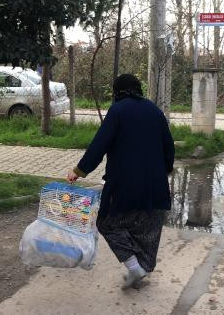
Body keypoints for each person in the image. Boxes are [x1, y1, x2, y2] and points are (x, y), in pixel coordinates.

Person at [67, 74, 175, 290]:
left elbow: (100, 145)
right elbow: (169, 147)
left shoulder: (117, 111)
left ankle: (135, 269)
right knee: (147, 227)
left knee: (107, 223)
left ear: (118, 91)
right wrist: (163, 171)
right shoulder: (155, 111)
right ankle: (141, 268)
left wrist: (79, 171)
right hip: (156, 185)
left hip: (125, 184)